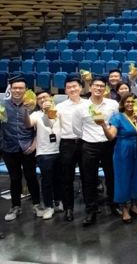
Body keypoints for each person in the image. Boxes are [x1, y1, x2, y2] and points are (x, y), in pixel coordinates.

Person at [79, 77, 119, 226]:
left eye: (102, 86)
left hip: (109, 144)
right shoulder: (82, 106)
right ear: (90, 88)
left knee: (111, 176)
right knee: (89, 179)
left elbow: (115, 122)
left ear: (105, 89)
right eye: (96, 85)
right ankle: (91, 210)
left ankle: (114, 204)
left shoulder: (112, 104)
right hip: (89, 145)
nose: (99, 88)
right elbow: (77, 127)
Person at [1, 77, 41, 222]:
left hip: (28, 147)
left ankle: (37, 204)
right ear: (10, 89)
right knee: (15, 178)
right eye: (15, 88)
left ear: (26, 90)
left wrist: (34, 144)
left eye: (21, 88)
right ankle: (15, 206)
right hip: (9, 147)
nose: (17, 90)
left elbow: (39, 127)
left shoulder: (33, 105)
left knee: (31, 176)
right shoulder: (2, 105)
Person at [104, 94, 137, 223]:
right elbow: (111, 136)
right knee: (123, 178)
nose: (130, 104)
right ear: (123, 103)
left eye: (133, 102)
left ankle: (134, 205)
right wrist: (103, 126)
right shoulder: (117, 117)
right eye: (127, 102)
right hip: (123, 150)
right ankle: (124, 209)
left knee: (136, 177)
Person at [55, 76, 88, 221]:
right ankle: (69, 208)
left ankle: (90, 206)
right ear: (65, 90)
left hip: (85, 142)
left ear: (80, 88)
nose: (72, 89)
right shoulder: (59, 107)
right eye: (69, 87)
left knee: (88, 176)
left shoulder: (88, 104)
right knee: (67, 178)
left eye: (75, 86)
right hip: (67, 144)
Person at [27, 91, 59, 220]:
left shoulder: (59, 110)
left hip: (60, 150)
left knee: (59, 179)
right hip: (44, 152)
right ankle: (48, 206)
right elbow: (28, 124)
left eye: (45, 97)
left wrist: (49, 110)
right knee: (46, 181)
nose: (42, 99)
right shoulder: (35, 114)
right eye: (39, 98)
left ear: (51, 98)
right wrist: (26, 110)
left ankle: (58, 201)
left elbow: (52, 120)